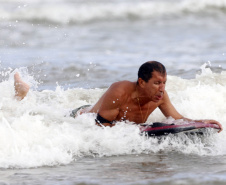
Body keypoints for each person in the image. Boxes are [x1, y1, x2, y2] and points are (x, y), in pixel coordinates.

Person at [14, 61, 223, 132]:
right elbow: (101, 126)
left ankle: (26, 95)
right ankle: (24, 95)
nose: (162, 88)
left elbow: (176, 118)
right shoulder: (120, 91)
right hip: (80, 118)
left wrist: (200, 121)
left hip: (107, 120)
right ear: (141, 82)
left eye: (164, 83)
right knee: (45, 115)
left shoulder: (159, 97)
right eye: (157, 83)